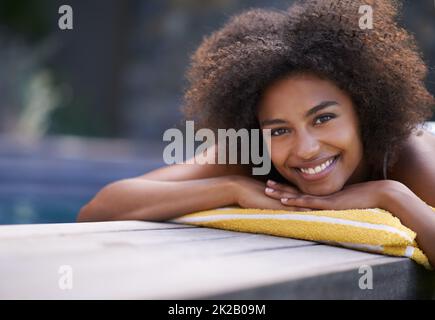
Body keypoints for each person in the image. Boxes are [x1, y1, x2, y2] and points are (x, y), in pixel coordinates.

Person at [77, 0, 435, 266]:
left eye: (323, 119)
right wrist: (230, 188)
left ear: (364, 110)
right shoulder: (252, 154)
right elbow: (100, 207)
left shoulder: (405, 153)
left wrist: (391, 194)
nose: (306, 148)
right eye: (280, 130)